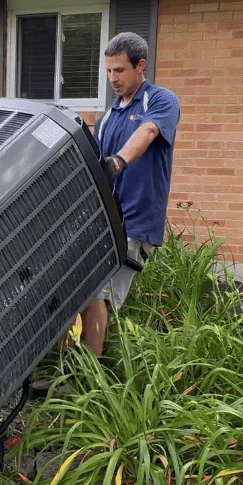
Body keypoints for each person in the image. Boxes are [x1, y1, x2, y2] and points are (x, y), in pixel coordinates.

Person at [79, 32, 180, 356]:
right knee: (79, 288)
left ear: (141, 66)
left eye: (120, 71)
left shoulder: (161, 101)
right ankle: (71, 361)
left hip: (136, 220)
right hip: (106, 219)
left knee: (98, 292)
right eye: (109, 71)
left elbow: (149, 131)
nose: (113, 78)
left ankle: (87, 376)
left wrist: (120, 161)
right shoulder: (108, 116)